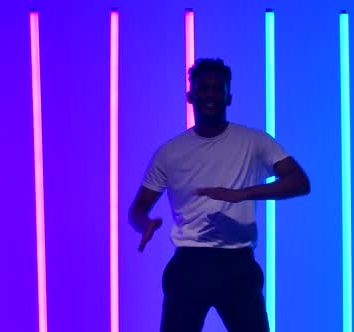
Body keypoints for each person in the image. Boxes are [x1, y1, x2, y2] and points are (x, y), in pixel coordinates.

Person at [128, 58, 310, 332]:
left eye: (217, 88)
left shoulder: (254, 141)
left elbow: (299, 181)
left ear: (229, 96)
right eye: (204, 88)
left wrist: (243, 194)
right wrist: (145, 224)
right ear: (191, 96)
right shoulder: (169, 152)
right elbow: (137, 209)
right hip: (189, 263)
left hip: (237, 264)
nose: (210, 94)